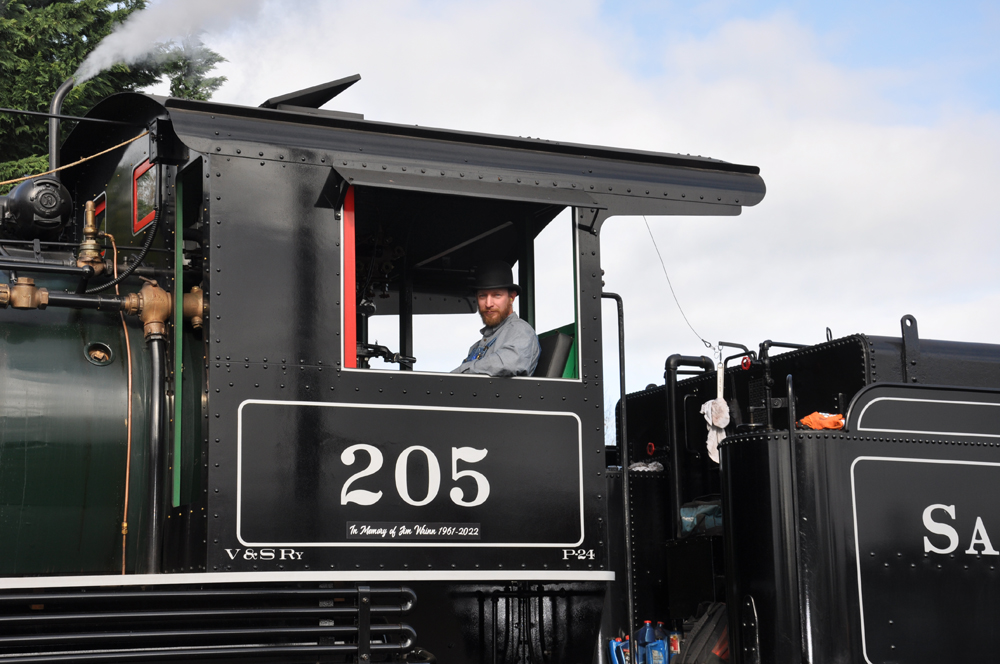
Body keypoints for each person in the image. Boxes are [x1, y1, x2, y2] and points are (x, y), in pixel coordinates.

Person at [452, 260, 540, 376]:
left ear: (511, 297)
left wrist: (460, 371)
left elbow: (508, 363)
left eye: (496, 295)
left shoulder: (520, 330)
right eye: (482, 296)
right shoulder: (476, 347)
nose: (488, 303)